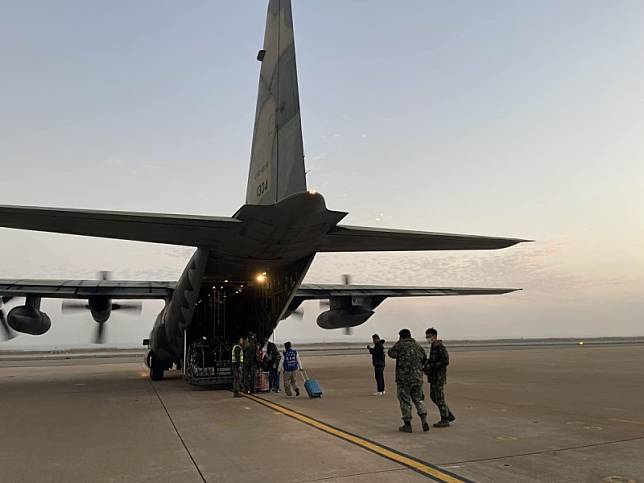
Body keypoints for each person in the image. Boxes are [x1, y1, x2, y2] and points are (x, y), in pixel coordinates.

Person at [387, 329, 429, 433]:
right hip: (417, 378)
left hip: (403, 379)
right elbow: (424, 359)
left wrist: (398, 342)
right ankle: (424, 419)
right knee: (418, 399)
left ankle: (407, 425)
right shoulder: (418, 346)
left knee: (405, 401)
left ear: (401, 337)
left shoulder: (400, 345)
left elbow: (391, 353)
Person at [425, 327, 455, 428]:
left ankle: (445, 419)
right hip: (433, 376)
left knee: (439, 398)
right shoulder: (434, 347)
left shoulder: (440, 347)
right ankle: (448, 414)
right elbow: (434, 360)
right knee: (433, 396)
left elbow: (445, 361)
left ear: (434, 336)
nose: (427, 339)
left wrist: (431, 365)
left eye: (429, 337)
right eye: (426, 337)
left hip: (439, 376)